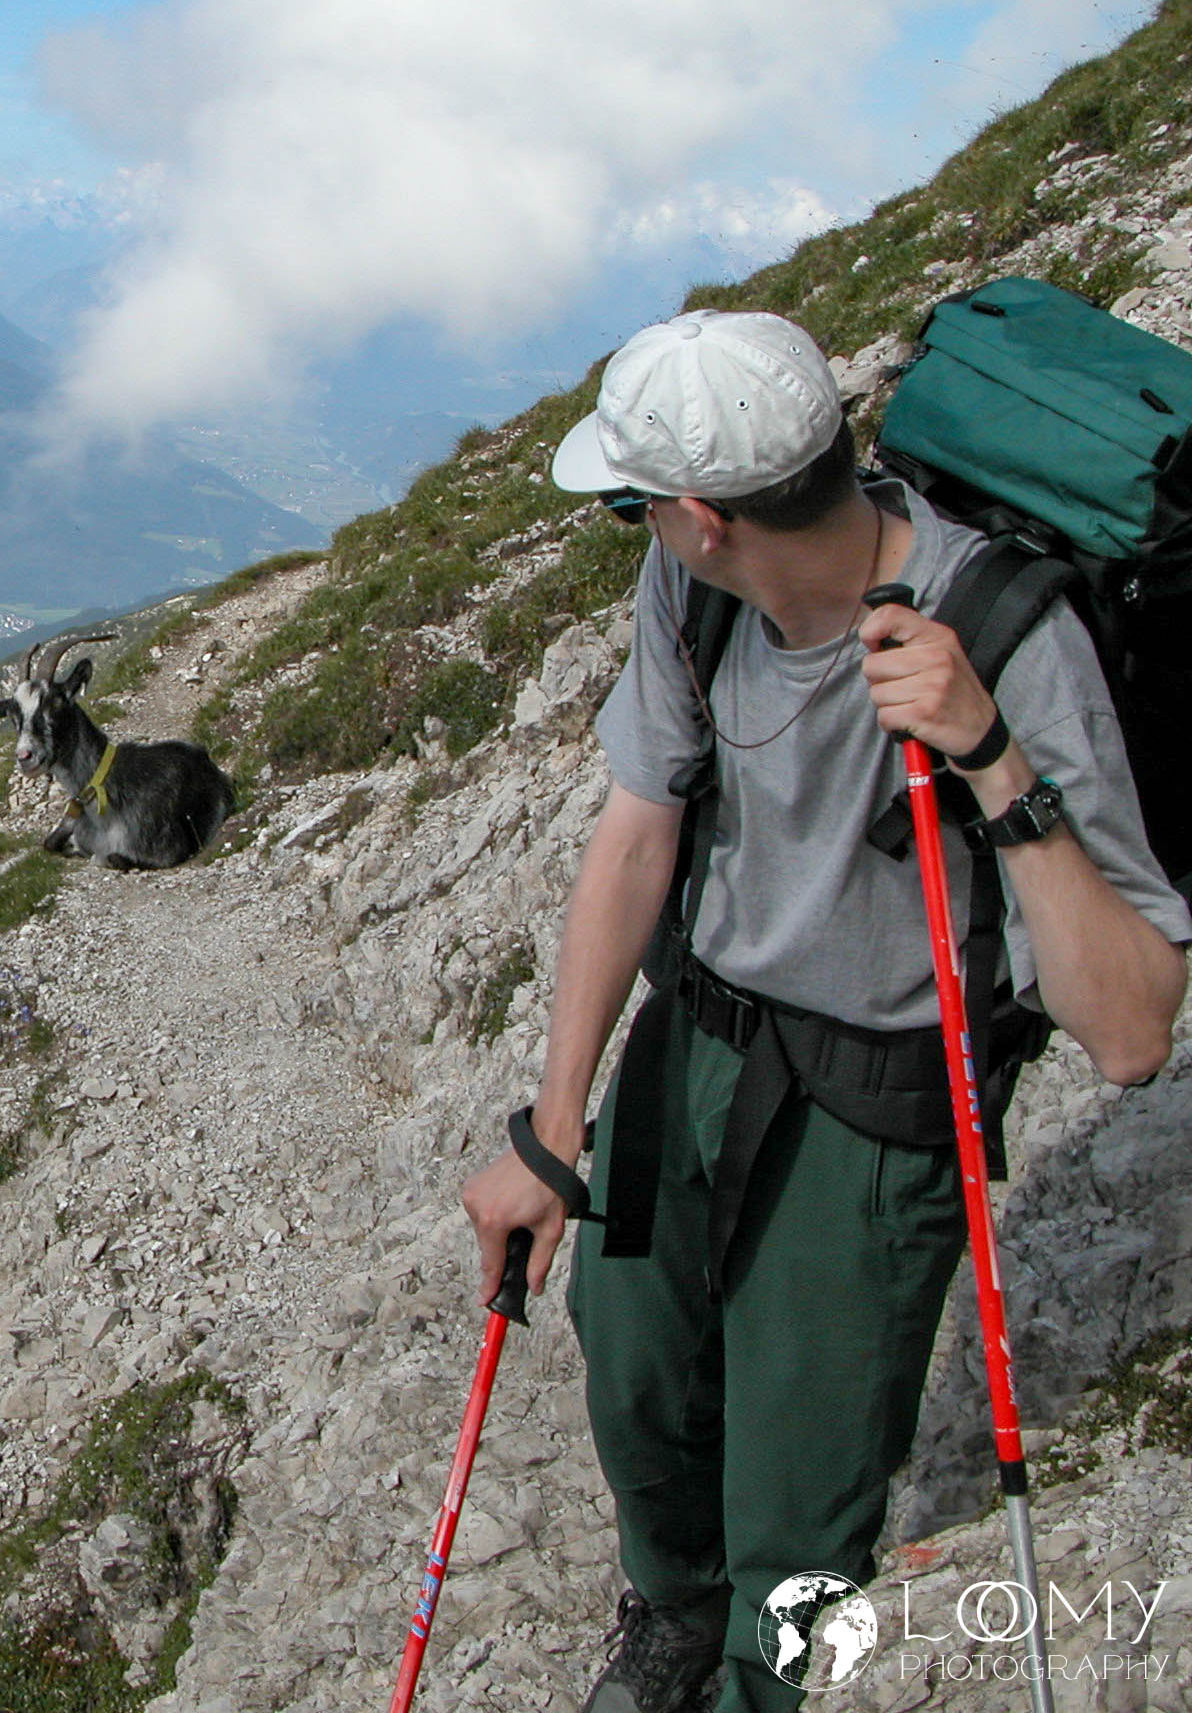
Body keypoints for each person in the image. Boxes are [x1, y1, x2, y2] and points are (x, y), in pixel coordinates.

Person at [459, 309, 1190, 1713]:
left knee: (800, 1510)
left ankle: (754, 1684)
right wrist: (556, 1136)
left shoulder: (1008, 636)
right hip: (696, 1042)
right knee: (640, 1390)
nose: (636, 528)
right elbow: (637, 833)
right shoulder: (692, 593)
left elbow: (1136, 1031)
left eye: (633, 505)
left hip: (877, 1102)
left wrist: (986, 755)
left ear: (700, 514)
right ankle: (672, 1617)